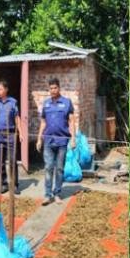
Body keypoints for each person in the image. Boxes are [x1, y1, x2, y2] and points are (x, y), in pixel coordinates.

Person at [36, 78, 76, 206]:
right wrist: (39, 139)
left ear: (59, 88)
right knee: (48, 167)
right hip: (48, 140)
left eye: (55, 88)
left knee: (59, 169)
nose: (53, 90)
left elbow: (71, 121)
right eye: (51, 88)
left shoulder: (66, 103)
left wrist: (73, 138)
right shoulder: (46, 104)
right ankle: (48, 195)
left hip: (62, 141)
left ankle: (57, 193)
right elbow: (43, 122)